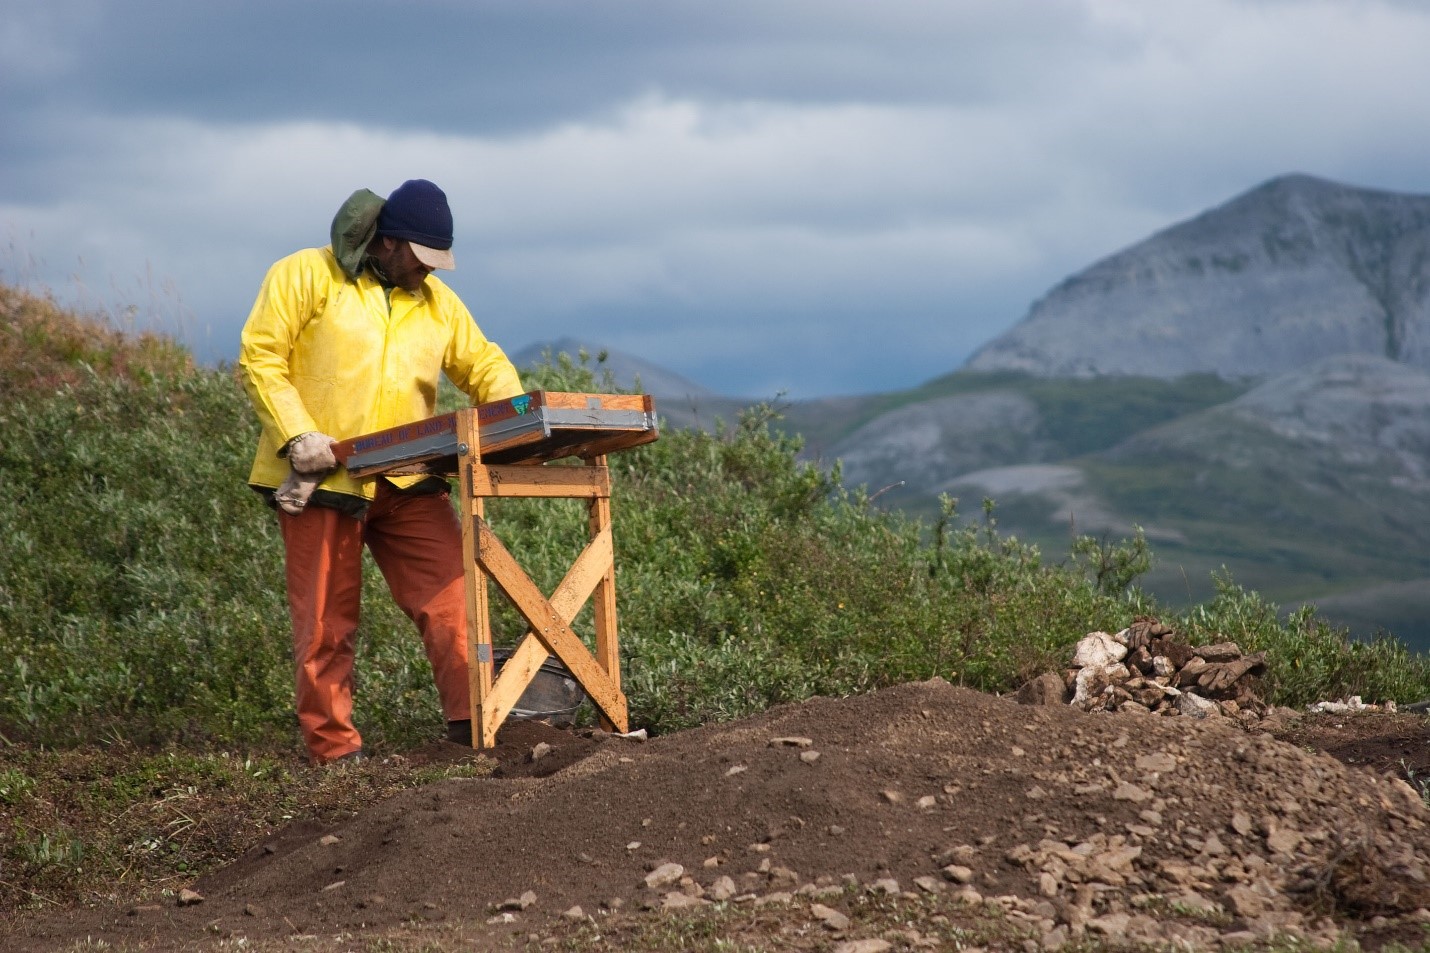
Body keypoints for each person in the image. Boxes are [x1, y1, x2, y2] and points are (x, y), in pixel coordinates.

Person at [239, 179, 524, 765]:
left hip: (408, 481)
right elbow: (261, 356)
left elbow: (484, 363)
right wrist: (298, 436)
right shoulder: (305, 274)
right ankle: (335, 757)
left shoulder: (438, 302)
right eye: (421, 261)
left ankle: (475, 731)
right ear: (389, 243)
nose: (428, 274)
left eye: (436, 264)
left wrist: (517, 415)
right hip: (324, 484)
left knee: (454, 600)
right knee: (326, 623)